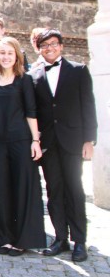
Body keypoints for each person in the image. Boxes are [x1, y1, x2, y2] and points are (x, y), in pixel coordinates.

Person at [32, 29, 97, 262]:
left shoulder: (78, 70)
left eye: (53, 44)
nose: (49, 48)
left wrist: (89, 139)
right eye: (44, 45)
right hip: (49, 142)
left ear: (61, 46)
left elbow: (88, 105)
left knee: (75, 190)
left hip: (73, 140)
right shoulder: (34, 74)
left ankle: (80, 240)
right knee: (53, 190)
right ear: (39, 49)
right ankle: (60, 237)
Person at [0, 37, 45, 256]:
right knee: (0, 189)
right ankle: (3, 237)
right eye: (2, 53)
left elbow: (31, 112)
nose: (6, 57)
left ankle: (22, 238)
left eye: (9, 53)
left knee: (22, 188)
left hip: (21, 141)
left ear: (17, 55)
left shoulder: (24, 80)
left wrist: (35, 141)